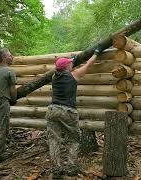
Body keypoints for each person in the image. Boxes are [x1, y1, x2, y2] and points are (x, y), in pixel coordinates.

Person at [45, 48, 102, 177]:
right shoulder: (74, 75)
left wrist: (73, 59)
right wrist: (96, 53)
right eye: (70, 63)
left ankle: (56, 170)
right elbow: (88, 65)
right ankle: (71, 168)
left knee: (54, 140)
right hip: (68, 111)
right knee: (73, 140)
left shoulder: (54, 76)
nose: (72, 64)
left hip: (53, 110)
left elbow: (66, 66)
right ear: (66, 67)